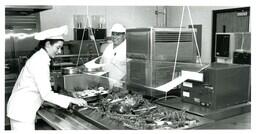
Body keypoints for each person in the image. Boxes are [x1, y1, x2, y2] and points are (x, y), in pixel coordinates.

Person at [7, 25, 87, 130]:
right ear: (48, 44)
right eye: (58, 47)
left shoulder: (40, 57)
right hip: (22, 110)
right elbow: (46, 94)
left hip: (22, 108)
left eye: (61, 48)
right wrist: (73, 100)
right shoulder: (40, 61)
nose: (59, 52)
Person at [84, 23, 127, 88]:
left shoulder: (128, 48)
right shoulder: (108, 47)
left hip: (120, 86)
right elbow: (101, 63)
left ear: (124, 35)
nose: (115, 37)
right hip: (106, 85)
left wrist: (122, 83)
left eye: (118, 34)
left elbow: (133, 71)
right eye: (113, 34)